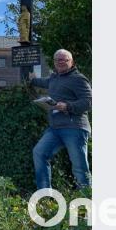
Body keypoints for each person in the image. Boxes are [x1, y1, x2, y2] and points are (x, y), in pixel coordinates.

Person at [29, 49, 92, 189]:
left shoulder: (78, 79)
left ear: (72, 62)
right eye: (57, 59)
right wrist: (32, 80)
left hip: (74, 127)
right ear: (54, 62)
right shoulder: (54, 78)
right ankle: (44, 195)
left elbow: (89, 102)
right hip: (55, 128)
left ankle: (87, 201)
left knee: (79, 167)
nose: (60, 62)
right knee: (39, 152)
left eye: (64, 59)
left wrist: (67, 106)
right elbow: (44, 82)